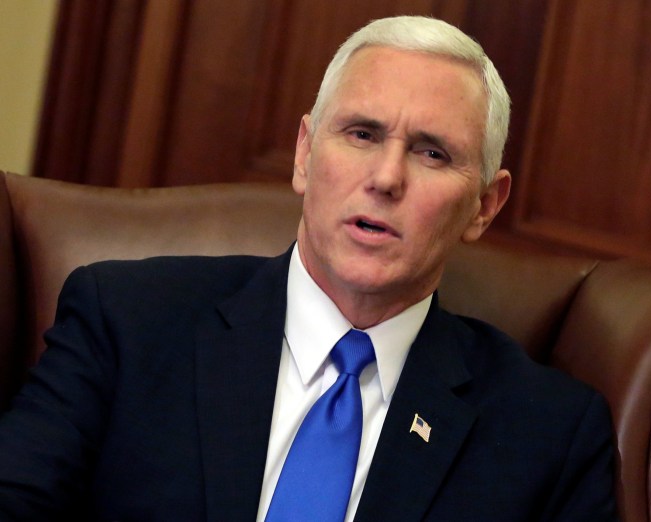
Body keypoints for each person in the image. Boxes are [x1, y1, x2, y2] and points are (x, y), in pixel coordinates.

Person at [0, 16, 618, 521]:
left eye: (432, 153)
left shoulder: (550, 434)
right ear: (303, 153)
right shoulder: (128, 322)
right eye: (362, 134)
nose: (385, 178)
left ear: (484, 205)